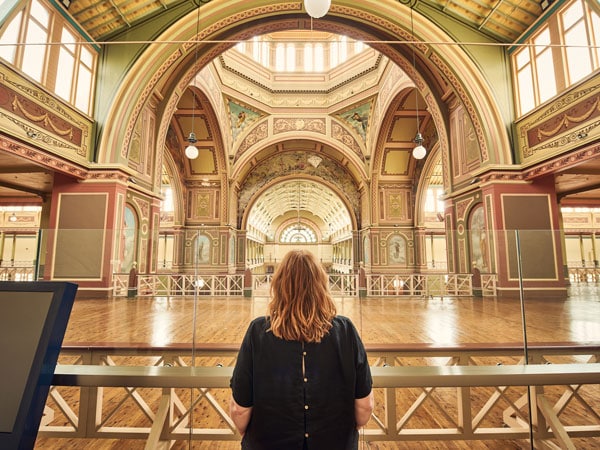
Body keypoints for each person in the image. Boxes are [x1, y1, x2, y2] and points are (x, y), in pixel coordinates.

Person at [229, 250, 374, 450]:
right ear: (321, 284)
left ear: (279, 284)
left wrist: (251, 437)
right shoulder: (346, 330)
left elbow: (240, 409)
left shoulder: (258, 331)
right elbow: (365, 407)